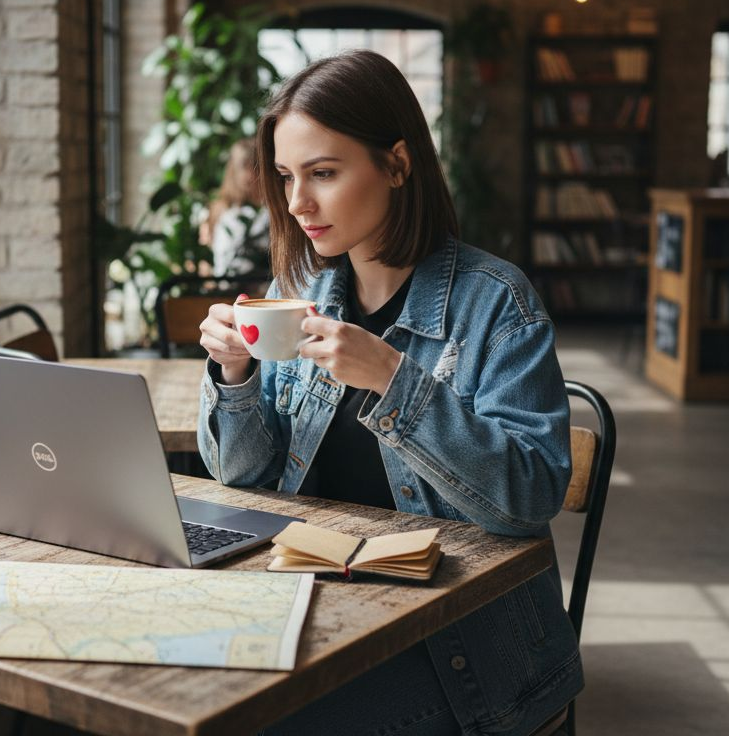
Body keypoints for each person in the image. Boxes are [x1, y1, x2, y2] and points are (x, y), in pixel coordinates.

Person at [196, 50, 581, 735]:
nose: (297, 202)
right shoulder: (300, 295)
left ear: (397, 165)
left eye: (323, 173)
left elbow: (530, 498)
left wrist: (393, 380)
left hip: (458, 649)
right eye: (286, 176)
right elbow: (244, 479)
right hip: (321, 609)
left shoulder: (497, 304)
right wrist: (236, 376)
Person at [202, 137, 270, 276]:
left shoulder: (267, 209)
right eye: (248, 166)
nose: (253, 173)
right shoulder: (228, 214)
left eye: (258, 165)